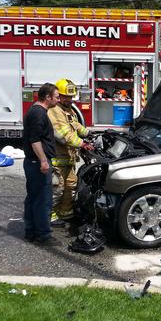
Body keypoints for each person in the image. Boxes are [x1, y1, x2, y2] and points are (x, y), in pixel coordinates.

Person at [47, 78, 94, 227]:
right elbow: (64, 134)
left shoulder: (69, 109)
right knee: (57, 189)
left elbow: (76, 126)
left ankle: (65, 213)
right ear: (58, 95)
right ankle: (50, 217)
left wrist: (89, 134)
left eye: (71, 97)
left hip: (68, 157)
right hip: (58, 158)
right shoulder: (54, 111)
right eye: (66, 96)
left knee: (70, 185)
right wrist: (82, 143)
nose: (69, 99)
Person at [22, 82, 60, 245]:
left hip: (32, 162)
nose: (58, 100)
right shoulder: (38, 113)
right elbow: (35, 140)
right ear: (47, 97)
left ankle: (31, 231)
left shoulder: (36, 111)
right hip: (37, 163)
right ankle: (43, 235)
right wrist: (44, 161)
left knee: (33, 198)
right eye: (56, 97)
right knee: (43, 200)